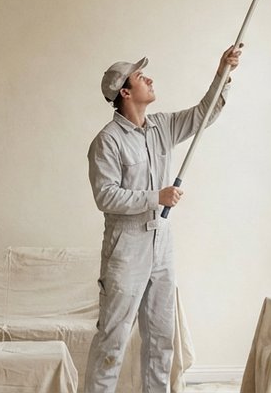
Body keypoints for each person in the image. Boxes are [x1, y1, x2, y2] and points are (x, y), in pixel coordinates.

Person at [83, 44, 243, 393]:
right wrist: (156, 197)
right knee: (113, 338)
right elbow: (105, 196)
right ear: (125, 92)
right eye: (141, 77)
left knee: (161, 337)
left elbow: (203, 114)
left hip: (162, 242)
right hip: (126, 245)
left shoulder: (162, 127)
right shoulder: (107, 141)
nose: (150, 79)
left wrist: (223, 72)